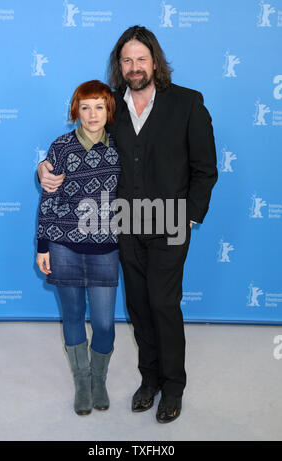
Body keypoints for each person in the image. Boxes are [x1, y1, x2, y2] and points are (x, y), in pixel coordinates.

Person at [38, 26, 218, 424]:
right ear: (119, 67)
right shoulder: (112, 106)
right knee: (138, 306)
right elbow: (75, 145)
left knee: (163, 304)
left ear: (155, 61)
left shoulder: (188, 104)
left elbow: (205, 168)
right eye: (127, 60)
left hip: (170, 223)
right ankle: (149, 380)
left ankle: (173, 387)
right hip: (125, 225)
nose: (135, 67)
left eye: (141, 59)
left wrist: (189, 215)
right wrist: (43, 168)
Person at [36, 80, 121, 416]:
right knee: (72, 316)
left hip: (107, 247)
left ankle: (99, 378)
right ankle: (82, 382)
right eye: (85, 107)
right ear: (76, 111)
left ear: (109, 110)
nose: (92, 114)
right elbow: (48, 197)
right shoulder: (61, 147)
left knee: (103, 324)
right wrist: (44, 245)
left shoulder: (120, 146)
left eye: (99, 106)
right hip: (63, 246)